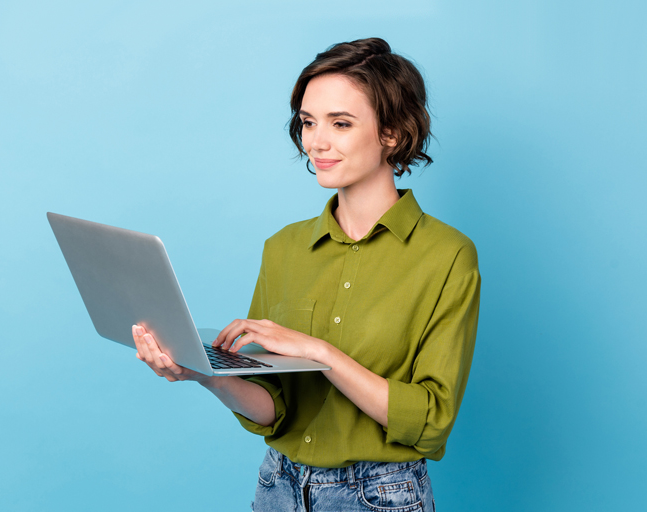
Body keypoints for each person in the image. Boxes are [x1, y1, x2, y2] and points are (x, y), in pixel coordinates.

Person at [132, 37, 480, 512]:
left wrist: (320, 353)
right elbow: (276, 409)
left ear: (392, 134)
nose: (316, 141)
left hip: (380, 495)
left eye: (341, 123)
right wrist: (205, 375)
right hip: (278, 487)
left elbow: (431, 421)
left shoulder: (447, 255)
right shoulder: (283, 248)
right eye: (308, 121)